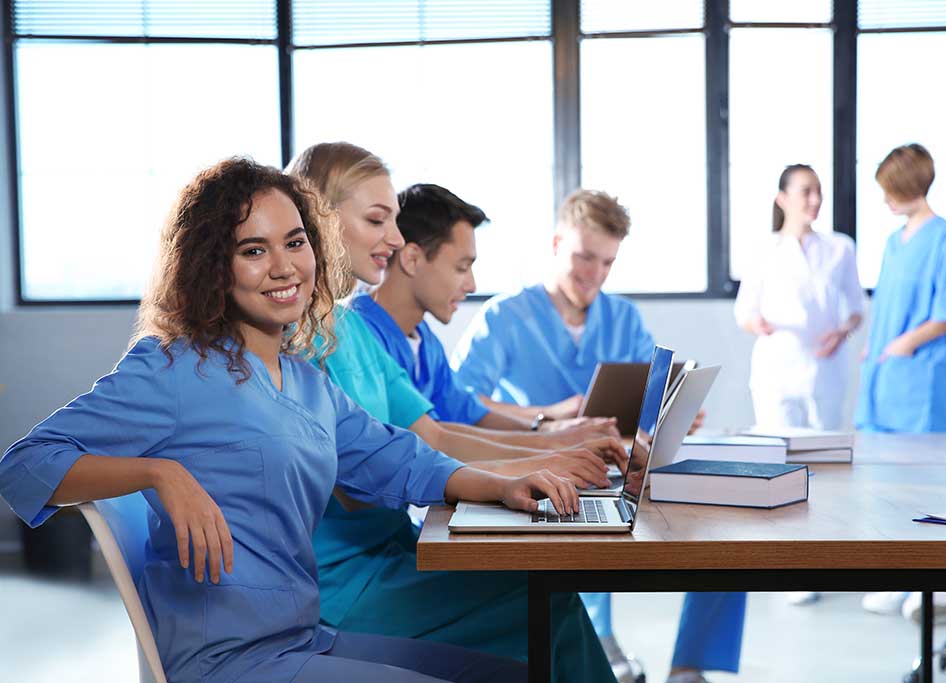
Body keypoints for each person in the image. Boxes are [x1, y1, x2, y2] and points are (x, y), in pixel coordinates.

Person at [0, 157, 586, 683]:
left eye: (295, 242)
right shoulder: (172, 369)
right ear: (214, 266)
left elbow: (399, 455)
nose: (284, 268)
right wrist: (157, 474)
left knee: (506, 674)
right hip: (230, 661)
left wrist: (506, 485)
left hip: (304, 639)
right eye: (253, 250)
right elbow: (23, 464)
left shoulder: (305, 380)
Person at [286, 142, 618, 683]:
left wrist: (545, 454)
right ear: (315, 217)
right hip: (344, 585)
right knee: (546, 604)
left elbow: (434, 432)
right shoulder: (305, 344)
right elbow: (366, 477)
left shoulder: (350, 331)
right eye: (377, 220)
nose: (394, 241)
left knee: (543, 599)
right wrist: (515, 470)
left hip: (389, 552)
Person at [453, 189, 745, 683]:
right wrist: (548, 414)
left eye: (607, 262)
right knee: (583, 532)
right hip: (548, 474)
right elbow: (459, 405)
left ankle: (689, 666)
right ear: (555, 243)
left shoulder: (622, 317)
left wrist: (668, 413)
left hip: (622, 471)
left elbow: (646, 401)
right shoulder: (504, 317)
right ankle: (598, 640)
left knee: (724, 541)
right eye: (584, 257)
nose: (594, 274)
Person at [352, 183, 619, 448]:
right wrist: (548, 444)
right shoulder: (358, 337)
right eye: (461, 267)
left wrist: (551, 429)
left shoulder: (425, 342)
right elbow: (432, 438)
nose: (472, 286)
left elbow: (468, 412)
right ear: (411, 259)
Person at [855, 143, 946, 622]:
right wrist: (877, 342)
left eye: (890, 190)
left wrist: (906, 342)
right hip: (884, 373)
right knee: (885, 482)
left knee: (924, 481)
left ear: (910, 186)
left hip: (921, 376)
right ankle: (896, 576)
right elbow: (885, 303)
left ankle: (938, 584)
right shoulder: (893, 240)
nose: (885, 199)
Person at [735, 164, 864, 434]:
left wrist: (843, 332)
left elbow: (856, 309)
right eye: (806, 192)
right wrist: (755, 323)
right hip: (777, 370)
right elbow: (744, 312)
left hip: (826, 369)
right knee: (777, 455)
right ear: (783, 199)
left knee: (827, 457)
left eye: (819, 192)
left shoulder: (840, 248)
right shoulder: (763, 249)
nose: (815, 199)